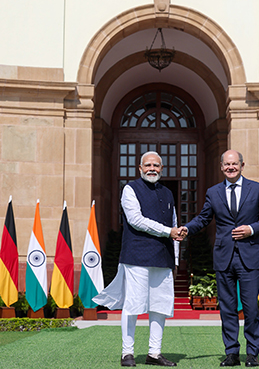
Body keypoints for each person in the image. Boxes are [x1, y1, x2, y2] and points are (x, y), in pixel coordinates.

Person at [177, 149, 259, 368]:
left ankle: (252, 354)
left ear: (242, 165)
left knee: (250, 308)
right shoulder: (213, 192)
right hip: (224, 258)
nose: (230, 167)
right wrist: (187, 228)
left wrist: (251, 229)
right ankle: (231, 353)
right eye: (226, 164)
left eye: (234, 164)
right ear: (221, 167)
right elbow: (203, 218)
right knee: (227, 308)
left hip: (249, 257)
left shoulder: (257, 189)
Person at [93, 151, 179, 367]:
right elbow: (136, 220)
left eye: (156, 165)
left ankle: (154, 353)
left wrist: (175, 259)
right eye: (148, 165)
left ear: (161, 168)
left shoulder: (168, 193)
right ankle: (127, 353)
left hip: (163, 257)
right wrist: (168, 231)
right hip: (137, 256)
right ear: (140, 168)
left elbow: (175, 225)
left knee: (160, 306)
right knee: (133, 305)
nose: (152, 168)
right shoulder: (130, 189)